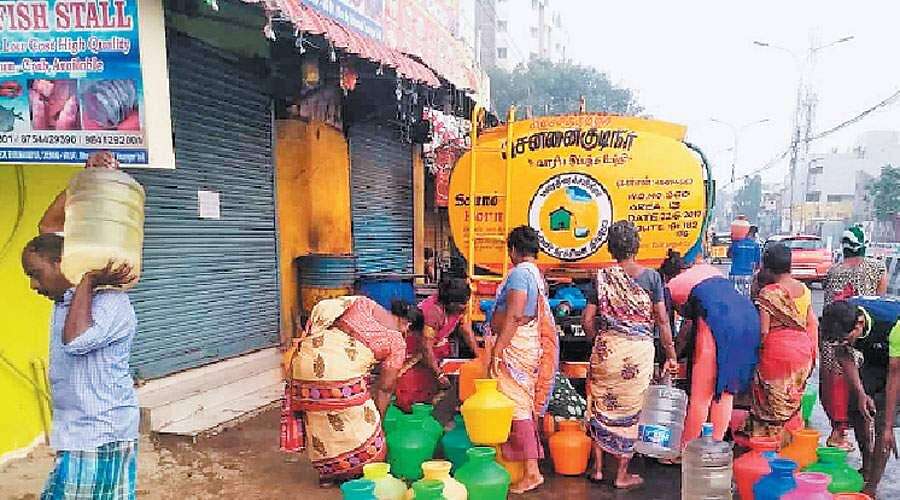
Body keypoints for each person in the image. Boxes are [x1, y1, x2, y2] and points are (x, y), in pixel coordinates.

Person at [22, 234, 140, 499]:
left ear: (60, 263)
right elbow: (48, 229)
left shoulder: (110, 301)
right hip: (78, 432)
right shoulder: (66, 299)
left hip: (101, 434)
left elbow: (76, 341)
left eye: (36, 274)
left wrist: (88, 277)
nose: (32, 285)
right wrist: (76, 191)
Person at [286, 296, 423, 485]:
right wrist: (377, 422)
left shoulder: (363, 303)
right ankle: (356, 474)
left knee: (320, 422)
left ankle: (327, 475)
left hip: (304, 364)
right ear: (407, 325)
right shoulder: (396, 340)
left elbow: (323, 310)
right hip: (338, 377)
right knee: (368, 440)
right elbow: (385, 387)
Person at [581, 221, 677, 489]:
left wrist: (599, 342)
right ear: (636, 246)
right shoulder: (651, 278)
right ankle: (621, 474)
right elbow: (662, 320)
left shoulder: (601, 277)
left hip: (606, 349)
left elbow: (588, 318)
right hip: (637, 354)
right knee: (631, 411)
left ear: (611, 248)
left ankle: (598, 469)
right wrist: (670, 354)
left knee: (599, 405)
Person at [486, 225, 559, 494]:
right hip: (524, 345)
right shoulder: (536, 275)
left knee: (517, 409)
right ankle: (526, 466)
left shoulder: (519, 274)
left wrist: (498, 348)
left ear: (514, 250)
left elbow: (516, 314)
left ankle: (531, 472)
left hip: (515, 347)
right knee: (522, 406)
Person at [667, 262, 761, 451]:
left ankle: (684, 450)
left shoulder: (670, 287)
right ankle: (714, 448)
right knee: (726, 391)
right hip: (748, 319)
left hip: (719, 319)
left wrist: (672, 355)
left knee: (701, 395)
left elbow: (669, 327)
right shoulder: (708, 271)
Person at [821, 225, 888, 450]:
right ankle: (865, 442)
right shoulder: (877, 267)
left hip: (834, 334)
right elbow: (879, 297)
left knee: (836, 383)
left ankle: (838, 431)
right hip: (862, 336)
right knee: (861, 387)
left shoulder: (833, 270)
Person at [745, 243, 818, 443]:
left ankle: (771, 445)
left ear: (767, 268)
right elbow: (811, 322)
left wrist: (755, 352)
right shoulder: (804, 289)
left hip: (777, 355)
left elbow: (763, 331)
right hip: (802, 353)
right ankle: (794, 444)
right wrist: (813, 352)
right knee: (793, 399)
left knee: (771, 403)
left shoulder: (768, 294)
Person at [394, 277, 478, 413]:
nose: (465, 306)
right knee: (410, 396)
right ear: (450, 303)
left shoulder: (461, 307)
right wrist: (438, 374)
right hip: (417, 351)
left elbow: (467, 331)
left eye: (466, 302)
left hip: (437, 349)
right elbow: (426, 347)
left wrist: (479, 358)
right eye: (462, 303)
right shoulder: (434, 312)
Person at [728, 225, 762, 298]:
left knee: (734, 298)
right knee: (746, 298)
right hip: (748, 275)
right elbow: (758, 264)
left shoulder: (737, 243)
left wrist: (732, 241)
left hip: (735, 274)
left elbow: (729, 255)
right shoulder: (755, 246)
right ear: (754, 234)